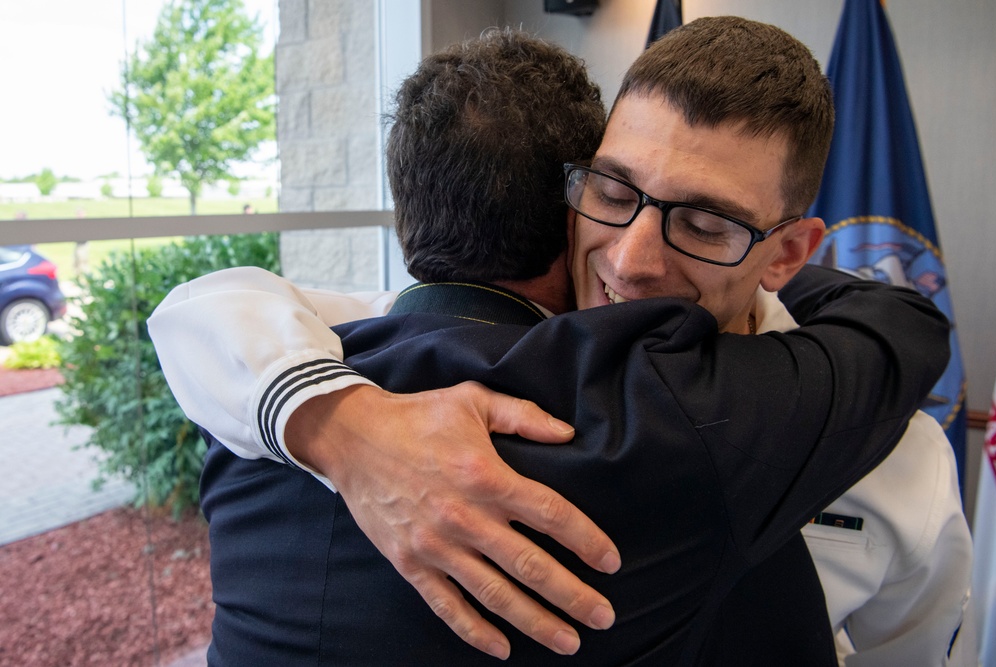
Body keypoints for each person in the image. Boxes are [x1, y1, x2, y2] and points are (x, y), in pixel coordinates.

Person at [148, 22, 953, 665]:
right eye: (612, 190)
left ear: (786, 252)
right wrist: (341, 426)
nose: (633, 261)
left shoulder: (896, 458)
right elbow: (211, 307)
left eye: (706, 224)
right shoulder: (336, 351)